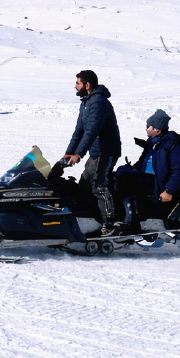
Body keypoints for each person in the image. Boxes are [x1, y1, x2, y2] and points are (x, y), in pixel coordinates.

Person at [62, 70, 123, 237]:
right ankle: (91, 220)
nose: (75, 86)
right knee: (84, 185)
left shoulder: (98, 102)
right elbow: (79, 130)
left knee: (98, 185)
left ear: (87, 85)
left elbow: (91, 130)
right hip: (96, 152)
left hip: (106, 151)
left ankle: (110, 225)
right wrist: (69, 153)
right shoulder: (87, 102)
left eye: (78, 83)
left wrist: (79, 154)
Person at [122, 109, 180, 233]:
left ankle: (131, 224)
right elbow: (141, 164)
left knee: (121, 177)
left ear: (157, 130)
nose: (146, 129)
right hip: (148, 180)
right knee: (117, 175)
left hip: (158, 185)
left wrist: (169, 190)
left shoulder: (174, 146)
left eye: (148, 126)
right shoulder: (152, 145)